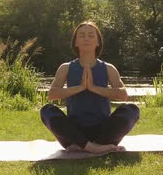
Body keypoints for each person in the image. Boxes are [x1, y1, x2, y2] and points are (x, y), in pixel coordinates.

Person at [40, 21, 140, 154]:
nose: (86, 38)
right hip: (74, 132)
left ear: (98, 42)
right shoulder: (66, 68)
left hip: (103, 130)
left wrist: (93, 88)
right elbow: (52, 94)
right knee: (47, 111)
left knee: (132, 110)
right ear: (76, 42)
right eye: (81, 35)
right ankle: (91, 147)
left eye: (91, 35)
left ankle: (90, 145)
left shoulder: (108, 68)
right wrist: (80, 87)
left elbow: (123, 95)